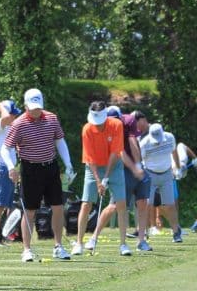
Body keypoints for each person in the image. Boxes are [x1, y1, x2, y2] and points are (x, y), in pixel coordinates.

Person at [0, 88, 75, 262]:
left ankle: (58, 246)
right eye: (32, 107)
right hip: (30, 169)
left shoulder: (51, 118)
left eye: (38, 107)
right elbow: (6, 148)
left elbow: (59, 140)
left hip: (50, 167)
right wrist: (11, 167)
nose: (36, 111)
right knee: (30, 211)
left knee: (57, 207)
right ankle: (27, 249)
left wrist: (68, 163)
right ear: (25, 105)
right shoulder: (18, 124)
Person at [73, 101, 143, 255]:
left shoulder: (116, 125)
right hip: (93, 168)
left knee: (121, 203)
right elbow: (89, 158)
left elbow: (115, 153)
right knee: (86, 204)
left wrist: (105, 178)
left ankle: (123, 244)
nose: (97, 125)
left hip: (114, 165)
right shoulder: (87, 129)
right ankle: (79, 243)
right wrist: (99, 180)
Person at [87, 108, 150, 255]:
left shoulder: (128, 121)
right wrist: (134, 169)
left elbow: (133, 141)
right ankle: (94, 237)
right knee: (114, 206)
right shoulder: (109, 128)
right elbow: (120, 153)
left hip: (137, 167)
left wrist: (138, 165)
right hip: (122, 170)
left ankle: (141, 241)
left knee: (142, 203)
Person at [139, 123, 183, 243]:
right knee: (148, 204)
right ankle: (144, 232)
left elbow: (174, 152)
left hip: (167, 174)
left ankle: (176, 232)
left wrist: (177, 168)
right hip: (150, 174)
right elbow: (139, 161)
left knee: (170, 204)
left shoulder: (169, 138)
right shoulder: (144, 143)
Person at [0, 99, 22, 239]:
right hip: (1, 167)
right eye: (13, 114)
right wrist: (2, 106)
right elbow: (6, 116)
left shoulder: (9, 127)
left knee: (6, 204)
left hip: (9, 169)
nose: (14, 117)